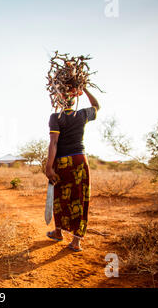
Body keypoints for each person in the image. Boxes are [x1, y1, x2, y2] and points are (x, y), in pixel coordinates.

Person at [45, 88, 100, 252]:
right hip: (79, 160)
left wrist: (49, 166)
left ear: (59, 102)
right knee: (80, 197)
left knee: (59, 197)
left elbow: (53, 143)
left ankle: (58, 232)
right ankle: (76, 241)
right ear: (74, 101)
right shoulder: (82, 114)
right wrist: (84, 88)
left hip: (62, 162)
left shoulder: (56, 117)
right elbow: (97, 105)